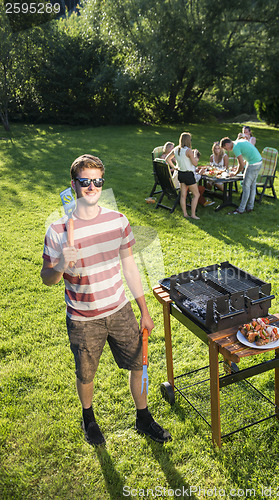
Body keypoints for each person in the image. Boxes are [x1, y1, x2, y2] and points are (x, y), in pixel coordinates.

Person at [40, 154, 172, 445]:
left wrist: (144, 311)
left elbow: (130, 268)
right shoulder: (58, 230)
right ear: (74, 184)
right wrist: (61, 264)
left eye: (97, 181)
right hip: (83, 319)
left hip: (120, 308)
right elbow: (46, 278)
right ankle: (89, 419)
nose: (92, 187)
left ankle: (143, 417)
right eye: (85, 182)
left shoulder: (118, 221)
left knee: (139, 365)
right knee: (86, 375)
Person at [165, 132, 213, 219]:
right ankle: (193, 215)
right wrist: (194, 155)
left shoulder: (176, 149)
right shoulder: (188, 151)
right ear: (188, 141)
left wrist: (175, 167)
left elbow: (167, 159)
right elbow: (195, 163)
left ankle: (185, 214)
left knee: (183, 195)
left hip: (181, 174)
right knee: (196, 195)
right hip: (189, 175)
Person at [220, 137, 262, 214]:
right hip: (259, 161)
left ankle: (241, 209)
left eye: (226, 148)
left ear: (227, 144)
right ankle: (250, 207)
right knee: (252, 185)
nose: (228, 150)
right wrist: (239, 166)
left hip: (253, 164)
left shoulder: (235, 147)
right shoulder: (238, 142)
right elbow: (248, 153)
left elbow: (241, 165)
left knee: (246, 186)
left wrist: (235, 173)